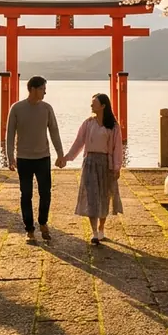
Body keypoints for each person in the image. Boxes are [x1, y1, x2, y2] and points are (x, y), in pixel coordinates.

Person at [6, 75, 65, 243]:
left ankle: (43, 222)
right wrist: (10, 157)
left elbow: (54, 131)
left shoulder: (47, 108)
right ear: (32, 89)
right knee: (26, 194)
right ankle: (29, 229)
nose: (45, 92)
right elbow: (10, 134)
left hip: (43, 157)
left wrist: (60, 154)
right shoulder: (17, 108)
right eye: (42, 89)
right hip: (23, 158)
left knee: (45, 193)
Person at [61, 93, 124, 245]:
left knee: (104, 196)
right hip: (90, 162)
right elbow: (79, 142)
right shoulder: (88, 123)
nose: (91, 106)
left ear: (103, 106)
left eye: (94, 103)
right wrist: (67, 158)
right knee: (91, 196)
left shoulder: (113, 127)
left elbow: (117, 149)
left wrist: (116, 167)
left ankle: (101, 227)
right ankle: (94, 232)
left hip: (105, 163)